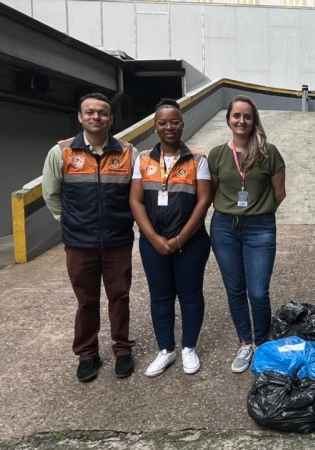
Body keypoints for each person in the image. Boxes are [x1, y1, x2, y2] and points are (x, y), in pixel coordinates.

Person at [42, 93, 138, 382]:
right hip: (79, 243)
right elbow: (51, 195)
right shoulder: (61, 152)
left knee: (119, 297)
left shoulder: (128, 152)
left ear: (110, 118)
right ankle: (87, 354)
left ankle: (122, 349)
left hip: (118, 240)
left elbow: (137, 196)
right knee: (86, 300)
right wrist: (70, 223)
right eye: (90, 112)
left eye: (103, 113)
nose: (96, 117)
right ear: (80, 117)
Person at [129, 99, 212, 377]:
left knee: (190, 295)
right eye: (162, 123)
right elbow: (136, 201)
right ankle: (166, 350)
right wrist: (152, 237)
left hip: (191, 243)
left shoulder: (198, 160)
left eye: (174, 122)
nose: (169, 127)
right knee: (160, 296)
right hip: (153, 243)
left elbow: (203, 202)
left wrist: (179, 239)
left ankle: (189, 347)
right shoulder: (142, 159)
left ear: (182, 125)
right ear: (155, 127)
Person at [208, 95, 286, 373]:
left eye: (247, 116)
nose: (241, 121)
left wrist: (259, 211)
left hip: (260, 228)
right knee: (235, 289)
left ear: (254, 120)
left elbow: (280, 193)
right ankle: (245, 343)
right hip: (224, 227)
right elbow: (215, 190)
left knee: (258, 291)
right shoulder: (217, 154)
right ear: (228, 119)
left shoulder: (269, 152)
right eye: (236, 115)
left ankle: (263, 344)